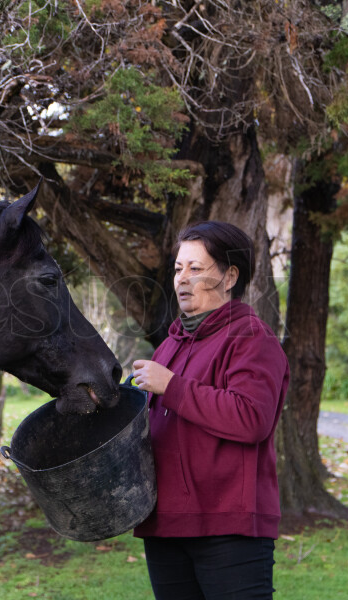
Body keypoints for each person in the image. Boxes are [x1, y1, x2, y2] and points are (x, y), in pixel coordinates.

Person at [131, 221, 289, 600]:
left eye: (196, 268)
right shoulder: (170, 345)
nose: (182, 279)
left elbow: (252, 418)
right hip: (166, 524)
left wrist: (171, 386)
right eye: (178, 269)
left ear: (229, 276)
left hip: (228, 527)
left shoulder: (251, 337)